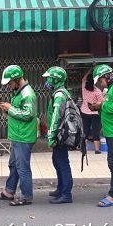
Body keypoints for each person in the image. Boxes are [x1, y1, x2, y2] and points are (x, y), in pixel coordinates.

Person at [0, 65, 37, 206]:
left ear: (17, 79)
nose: (9, 86)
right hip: (18, 135)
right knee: (14, 165)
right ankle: (9, 191)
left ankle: (26, 196)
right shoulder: (19, 92)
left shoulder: (27, 94)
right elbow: (19, 111)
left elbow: (28, 114)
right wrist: (7, 110)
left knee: (22, 168)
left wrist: (10, 109)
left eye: (10, 83)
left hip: (23, 136)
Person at [89, 64, 113, 207]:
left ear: (107, 76)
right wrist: (98, 106)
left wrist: (102, 106)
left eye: (101, 80)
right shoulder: (112, 88)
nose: (101, 83)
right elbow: (110, 105)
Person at [43, 66, 74, 204]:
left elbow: (56, 116)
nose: (47, 81)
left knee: (62, 162)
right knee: (57, 161)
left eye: (49, 78)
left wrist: (51, 136)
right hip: (60, 132)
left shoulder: (60, 95)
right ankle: (61, 188)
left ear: (55, 79)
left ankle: (66, 194)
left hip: (60, 133)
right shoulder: (59, 92)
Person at [81, 66, 104, 154]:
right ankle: (97, 150)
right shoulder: (97, 91)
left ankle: (83, 148)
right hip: (95, 113)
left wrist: (90, 68)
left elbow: (84, 78)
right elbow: (101, 103)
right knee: (95, 131)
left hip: (84, 112)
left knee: (85, 130)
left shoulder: (84, 87)